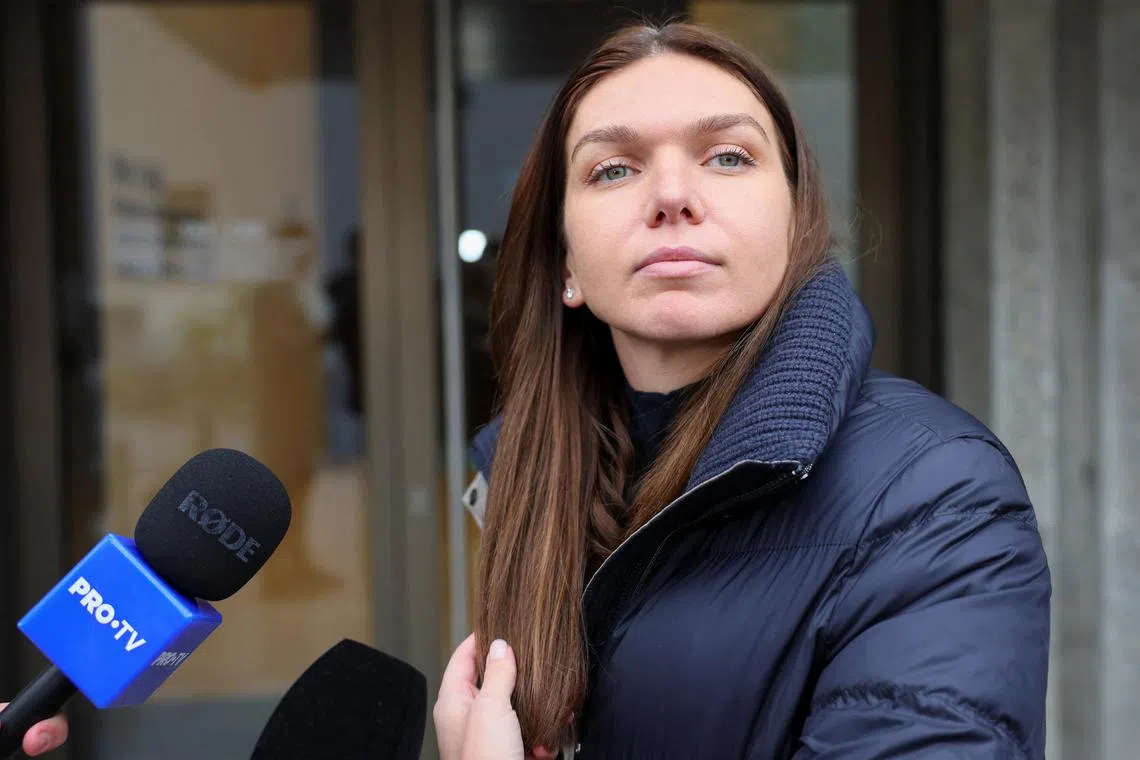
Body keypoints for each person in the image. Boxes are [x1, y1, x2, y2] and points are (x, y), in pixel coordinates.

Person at [436, 19, 1051, 760]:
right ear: (566, 263)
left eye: (727, 157)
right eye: (614, 169)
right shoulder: (533, 482)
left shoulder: (937, 489)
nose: (671, 196)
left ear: (797, 225)